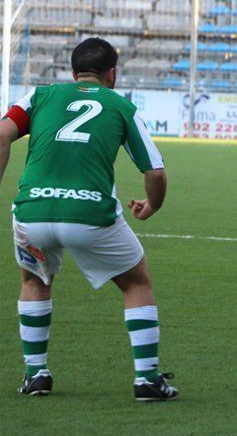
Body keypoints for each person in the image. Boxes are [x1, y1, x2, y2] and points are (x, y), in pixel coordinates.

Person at [0, 37, 178, 399]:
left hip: (33, 211)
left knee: (35, 281)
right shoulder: (121, 106)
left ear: (72, 72)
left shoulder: (39, 96)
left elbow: (3, 132)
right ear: (112, 73)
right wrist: (152, 205)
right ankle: (147, 380)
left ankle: (36, 374)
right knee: (136, 284)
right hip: (90, 214)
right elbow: (155, 172)